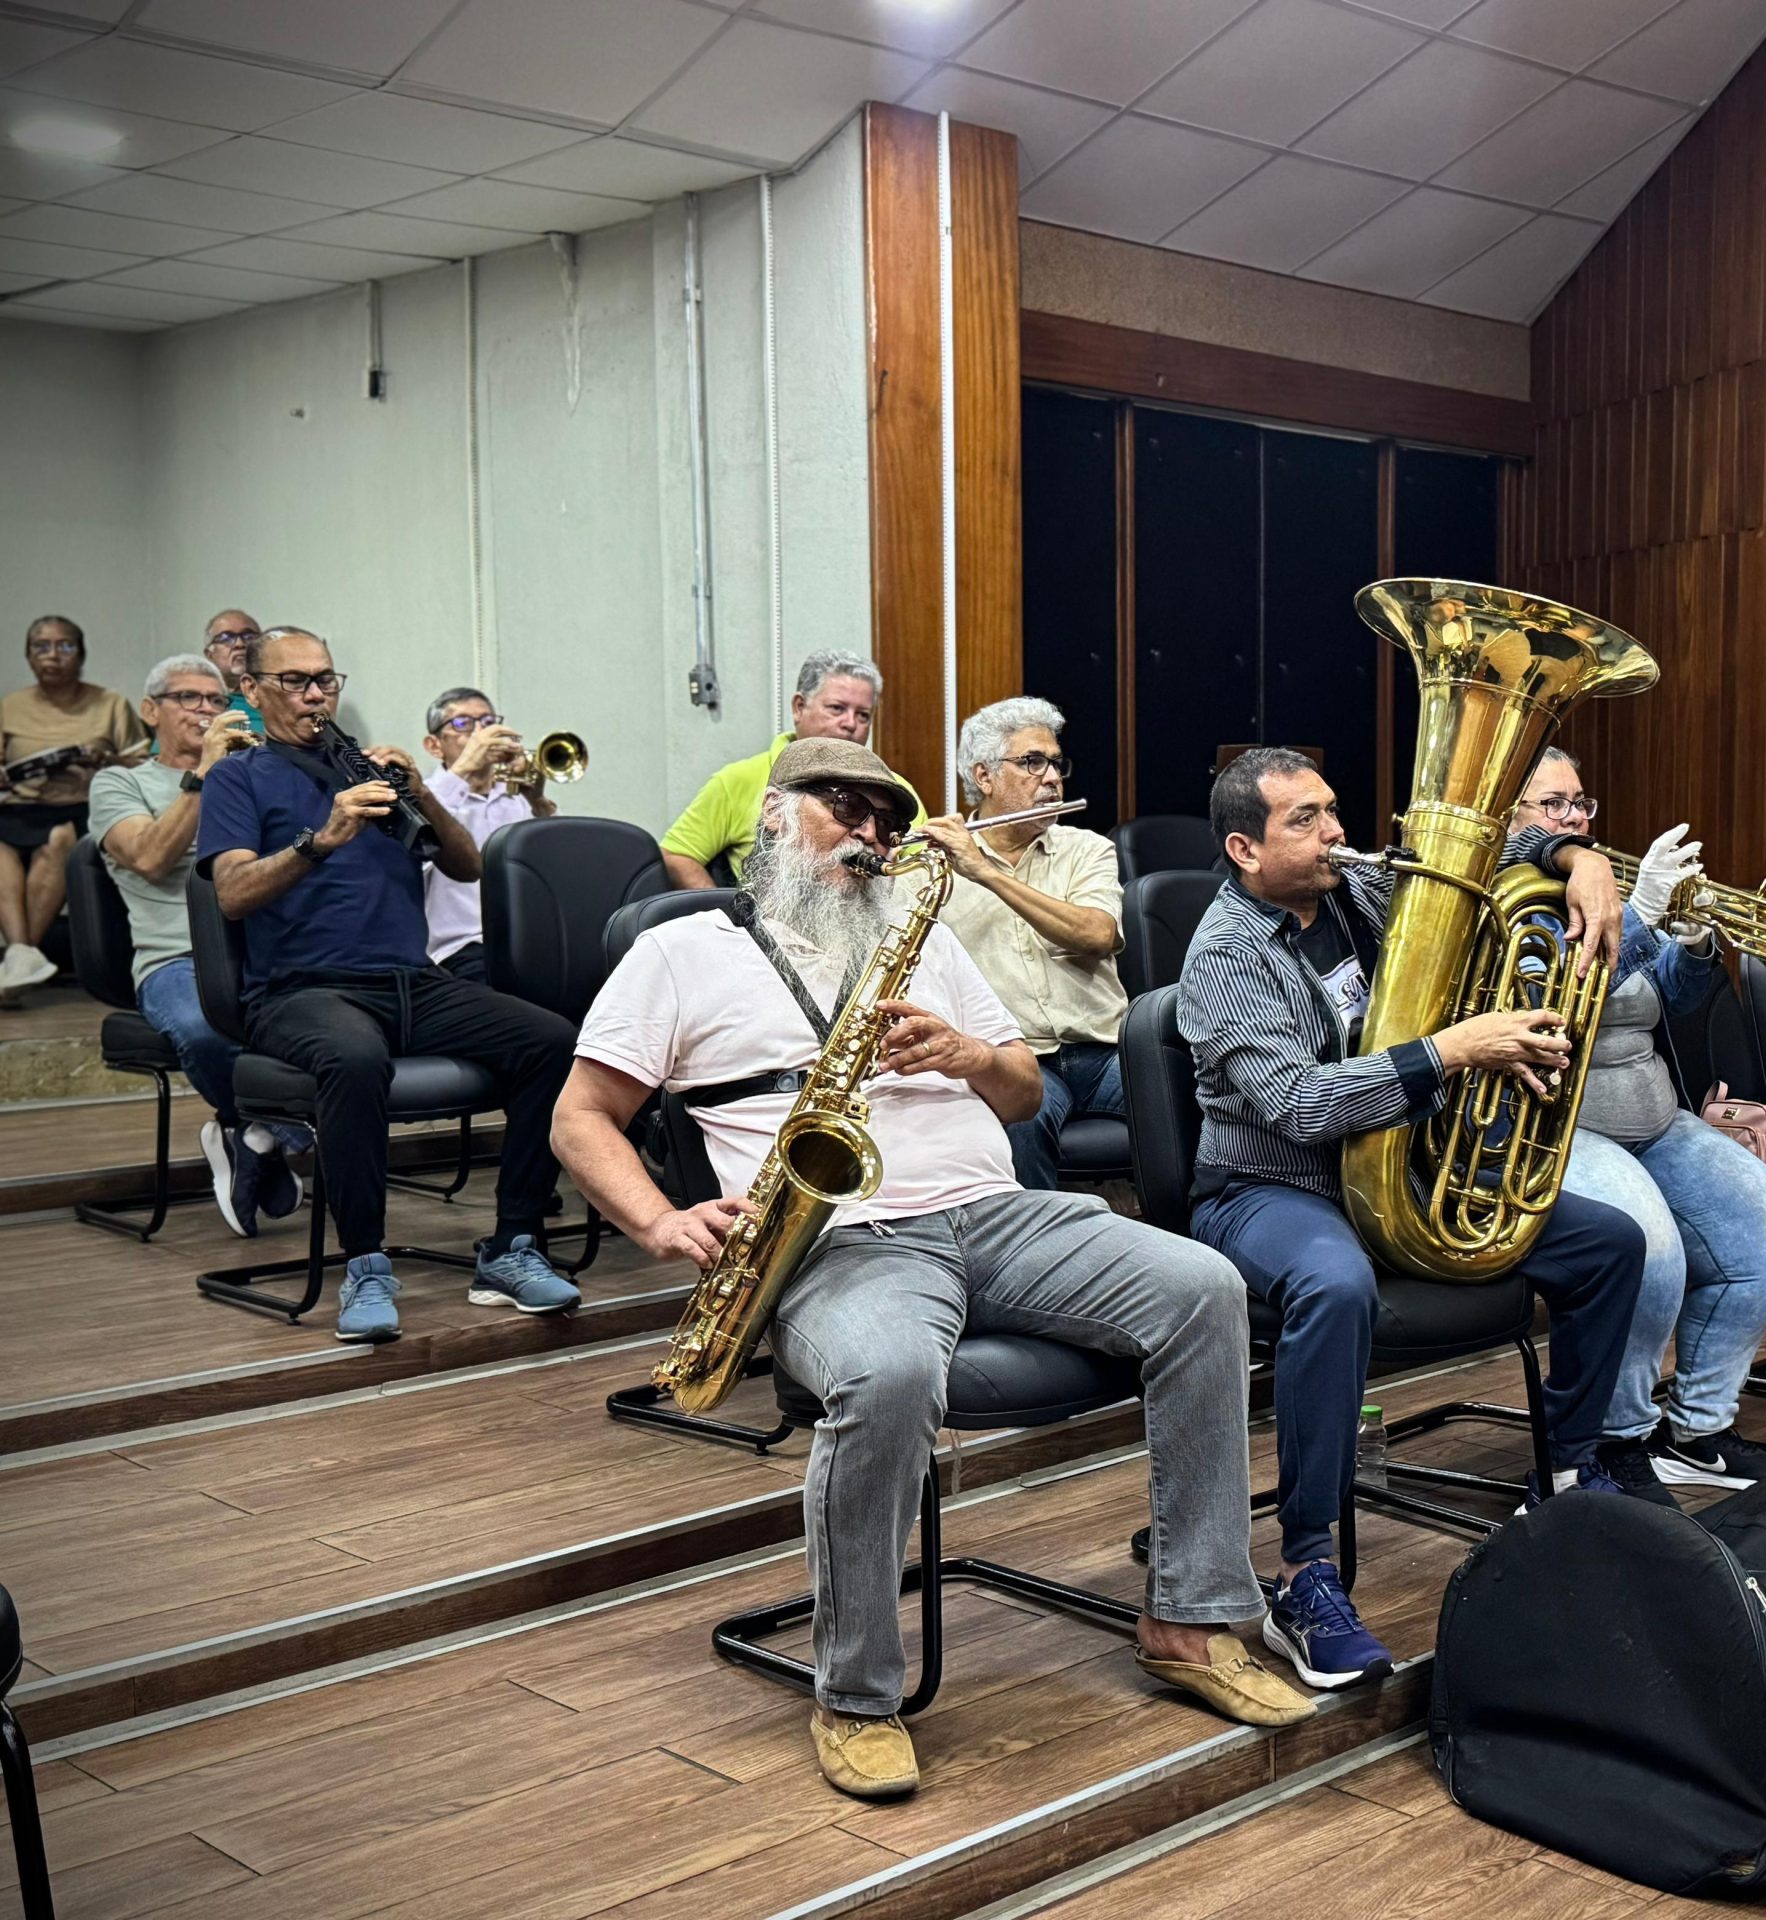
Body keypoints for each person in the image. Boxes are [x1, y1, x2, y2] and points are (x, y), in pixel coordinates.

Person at [552, 737, 1311, 1800]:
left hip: (993, 1212)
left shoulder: (926, 942)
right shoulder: (681, 953)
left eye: (884, 817)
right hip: (834, 1241)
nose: (866, 832)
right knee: (889, 1375)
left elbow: (1024, 1095)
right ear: (774, 815)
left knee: (1204, 1289)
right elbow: (582, 1115)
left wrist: (970, 1057)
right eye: (840, 807)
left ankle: (1188, 1621)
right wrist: (660, 1221)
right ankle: (855, 1691)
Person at [1181, 746, 1648, 1694]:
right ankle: (1306, 1569)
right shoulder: (1224, 952)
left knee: (1609, 1243)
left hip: (1393, 1172)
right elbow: (1301, 1106)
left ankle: (1564, 1481)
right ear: (1243, 847)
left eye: (1332, 811)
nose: (1336, 834)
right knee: (1334, 1283)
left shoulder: (1356, 895)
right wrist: (1448, 1053)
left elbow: (1491, 862)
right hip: (1270, 1188)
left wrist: (1576, 860)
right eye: (1303, 822)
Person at [199, 628, 583, 1343]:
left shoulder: (367, 771)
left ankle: (512, 1245)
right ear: (251, 691)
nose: (316, 695)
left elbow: (467, 869)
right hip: (297, 988)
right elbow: (230, 894)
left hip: (412, 980)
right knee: (352, 1057)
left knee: (552, 1041)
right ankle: (366, 1264)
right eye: (295, 682)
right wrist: (323, 838)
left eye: (326, 680)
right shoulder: (239, 778)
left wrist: (421, 797)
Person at [1509, 748, 1766, 1490]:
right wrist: (1639, 913)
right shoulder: (1508, 900)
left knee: (1765, 1233)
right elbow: (1557, 1015)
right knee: (1650, 1252)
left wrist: (1695, 943)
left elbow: (1664, 994)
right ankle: (1618, 1439)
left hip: (1655, 1116)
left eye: (1581, 803)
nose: (1575, 819)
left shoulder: (1604, 890)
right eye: (1554, 805)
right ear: (1510, 818)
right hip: (1560, 1125)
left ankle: (1699, 1432)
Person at [90, 654, 312, 1235]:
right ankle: (269, 1131)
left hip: (260, 950)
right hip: (172, 960)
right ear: (149, 710)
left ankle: (252, 1137)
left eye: (217, 700)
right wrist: (203, 775)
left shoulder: (250, 773)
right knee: (204, 1028)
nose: (207, 710)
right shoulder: (121, 782)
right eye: (189, 698)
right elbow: (148, 856)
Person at [922, 697, 1125, 1189]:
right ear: (985, 777)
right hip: (1017, 1061)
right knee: (1019, 1123)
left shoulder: (1087, 849)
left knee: (1202, 1097)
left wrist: (986, 874)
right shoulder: (931, 865)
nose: (1052, 777)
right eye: (1033, 762)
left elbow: (1097, 935)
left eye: (1057, 763)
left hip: (1105, 1052)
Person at [661, 651, 916, 890]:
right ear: (798, 707)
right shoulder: (737, 779)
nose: (850, 724)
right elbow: (677, 855)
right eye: (837, 708)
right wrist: (728, 918)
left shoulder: (895, 788)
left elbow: (913, 866)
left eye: (863, 715)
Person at [2, 615, 145, 998]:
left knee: (58, 840)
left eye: (65, 646)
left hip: (82, 806)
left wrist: (103, 760)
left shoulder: (110, 703)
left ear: (81, 655)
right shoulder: (10, 706)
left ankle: (19, 954)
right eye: (41, 646)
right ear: (29, 656)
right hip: (19, 807)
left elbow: (143, 761)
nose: (53, 655)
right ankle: (23, 955)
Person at [417, 686, 554, 983]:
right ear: (434, 745)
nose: (481, 733)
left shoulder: (518, 797)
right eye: (463, 724)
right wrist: (464, 768)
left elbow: (559, 870)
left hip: (531, 945)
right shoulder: (422, 796)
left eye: (488, 722)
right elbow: (414, 860)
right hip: (459, 952)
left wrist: (539, 802)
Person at [201, 609, 265, 740]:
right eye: (226, 638)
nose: (239, 644)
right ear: (210, 654)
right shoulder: (194, 701)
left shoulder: (276, 697)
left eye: (249, 637)